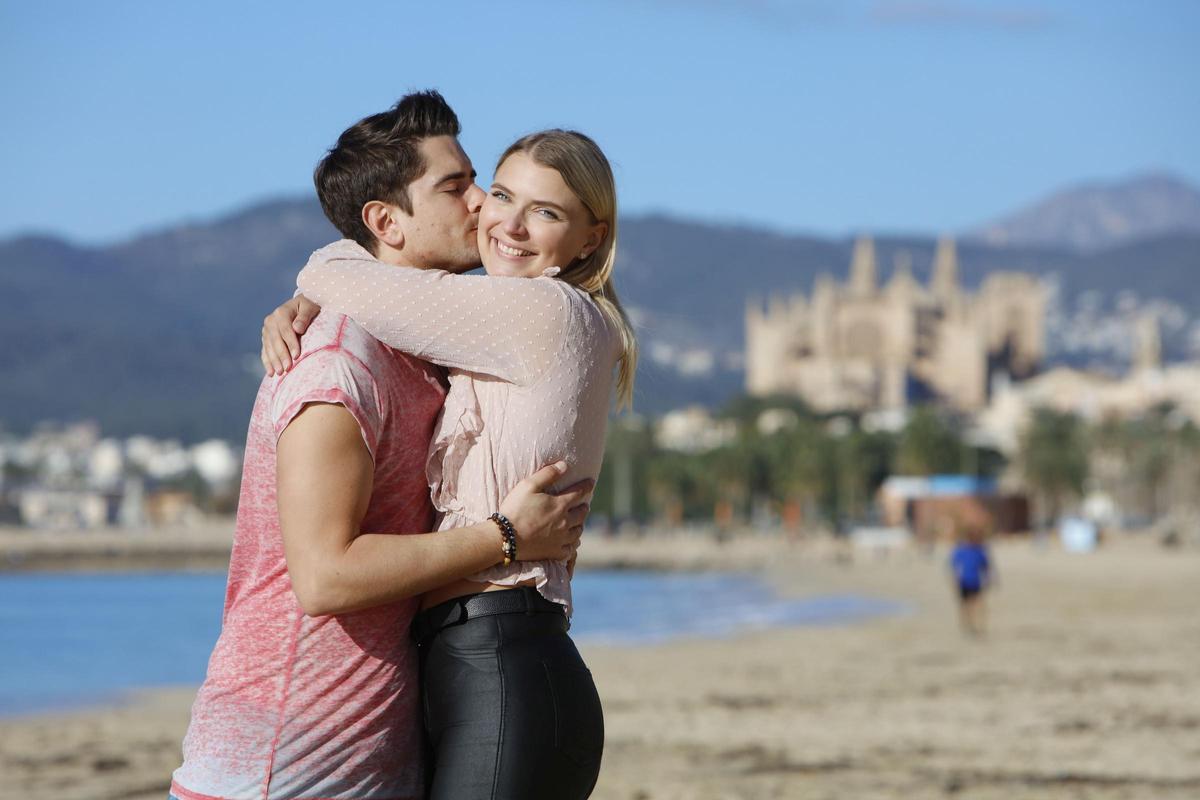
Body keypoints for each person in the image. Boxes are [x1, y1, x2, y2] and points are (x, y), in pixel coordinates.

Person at [169, 92, 592, 800]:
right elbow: (324, 576)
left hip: (374, 757)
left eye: (477, 180)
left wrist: (318, 282)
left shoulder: (426, 349)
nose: (482, 203)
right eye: (455, 187)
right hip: (280, 765)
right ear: (387, 223)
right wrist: (505, 536)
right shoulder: (337, 364)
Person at [261, 125, 636, 799]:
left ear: (590, 239)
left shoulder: (541, 311)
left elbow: (344, 275)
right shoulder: (525, 319)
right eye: (502, 195)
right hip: (489, 665)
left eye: (545, 212)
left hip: (502, 665)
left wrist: (313, 291)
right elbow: (368, 284)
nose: (509, 225)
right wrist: (323, 294)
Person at [949, 525, 993, 637]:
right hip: (965, 582)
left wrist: (988, 579)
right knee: (967, 605)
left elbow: (986, 567)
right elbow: (954, 566)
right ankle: (968, 626)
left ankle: (975, 626)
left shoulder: (979, 551)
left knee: (975, 605)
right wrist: (955, 581)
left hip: (974, 582)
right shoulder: (963, 550)